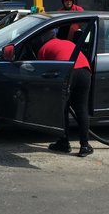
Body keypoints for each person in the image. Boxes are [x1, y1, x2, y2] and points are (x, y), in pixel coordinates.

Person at [37, 29, 93, 157]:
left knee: (63, 109)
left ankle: (64, 142)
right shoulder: (68, 42)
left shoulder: (43, 49)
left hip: (68, 73)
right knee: (81, 109)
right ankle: (84, 146)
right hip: (85, 71)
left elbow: (43, 73)